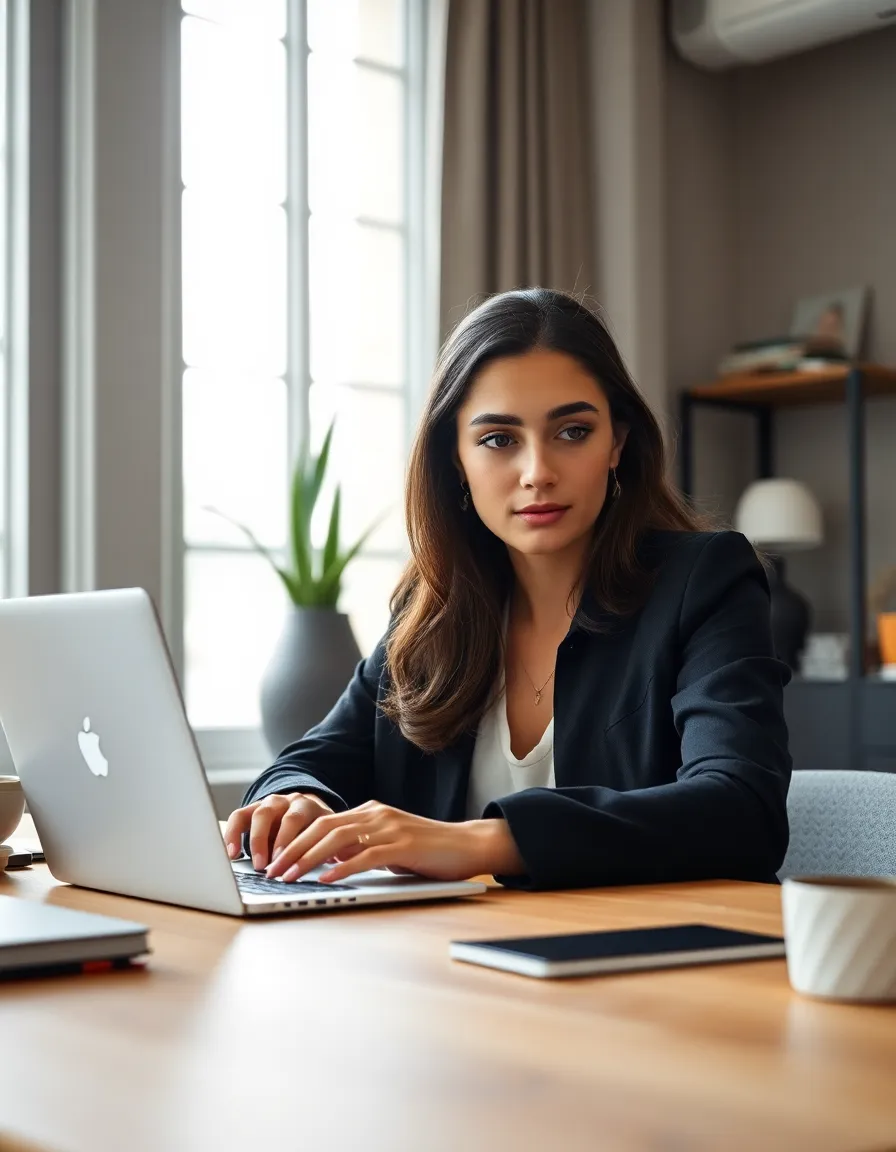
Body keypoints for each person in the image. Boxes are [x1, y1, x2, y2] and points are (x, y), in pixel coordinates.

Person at [225, 288, 792, 891]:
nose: (538, 472)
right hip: (456, 965)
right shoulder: (433, 607)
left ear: (617, 445)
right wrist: (293, 800)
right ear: (456, 460)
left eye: (573, 432)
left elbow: (741, 812)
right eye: (499, 439)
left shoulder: (705, 579)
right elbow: (315, 757)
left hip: (648, 959)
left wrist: (475, 842)